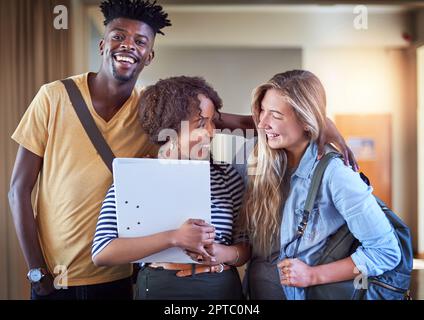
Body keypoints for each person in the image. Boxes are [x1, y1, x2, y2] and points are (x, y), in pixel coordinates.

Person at [236, 70, 401, 300]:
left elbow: (386, 252)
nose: (262, 123)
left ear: (306, 120)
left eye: (275, 114)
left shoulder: (335, 174)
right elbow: (210, 122)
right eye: (262, 110)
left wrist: (313, 275)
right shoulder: (260, 163)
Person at [92, 76, 251, 300]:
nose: (212, 132)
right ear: (171, 129)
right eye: (201, 124)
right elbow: (102, 252)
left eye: (213, 121)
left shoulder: (227, 176)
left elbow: (244, 247)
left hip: (220, 288)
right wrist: (175, 238)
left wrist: (223, 253)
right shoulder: (135, 178)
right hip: (161, 288)